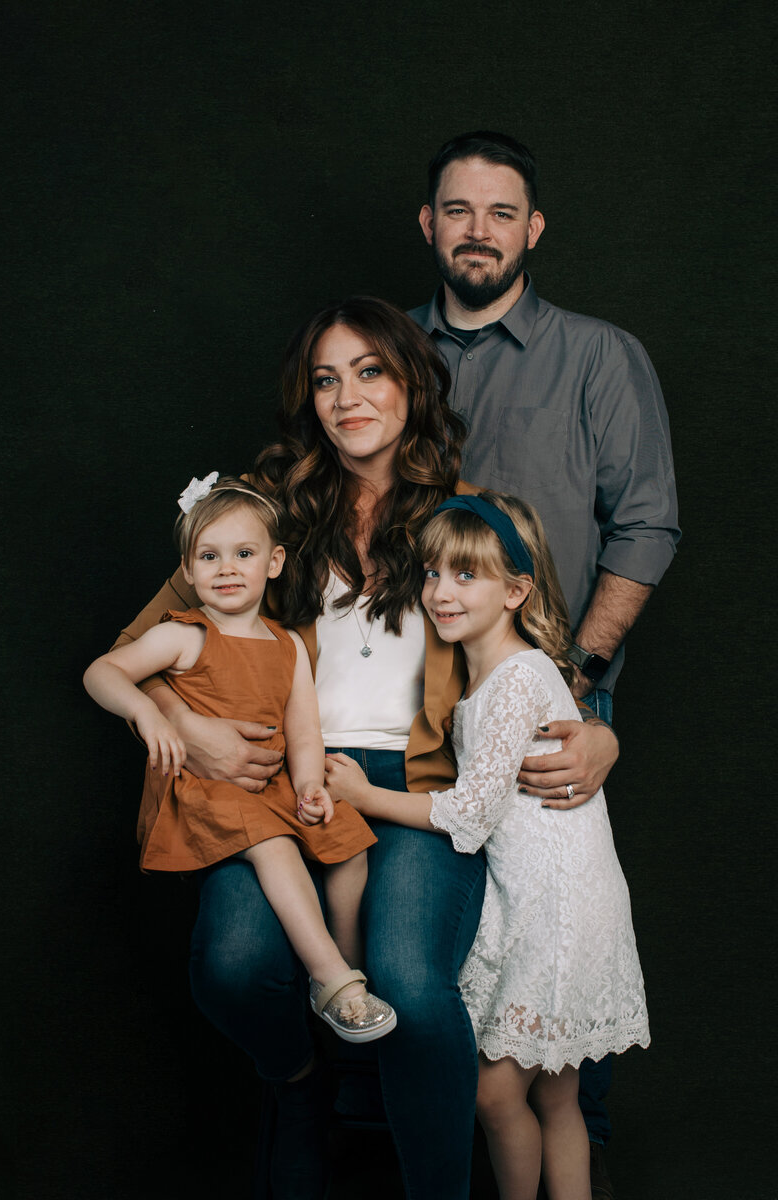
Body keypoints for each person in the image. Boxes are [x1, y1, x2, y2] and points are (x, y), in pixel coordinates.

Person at [112, 297, 620, 1199]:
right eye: (325, 378)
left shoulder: (464, 516)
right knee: (233, 965)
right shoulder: (263, 519)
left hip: (420, 785)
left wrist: (600, 733)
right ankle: (296, 1081)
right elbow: (136, 647)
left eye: (370, 371)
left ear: (411, 383)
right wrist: (189, 728)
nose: (347, 395)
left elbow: (528, 652)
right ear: (308, 400)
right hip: (274, 776)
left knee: (415, 986)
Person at [409, 130, 679, 1192]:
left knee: (557, 1008)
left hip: (550, 717)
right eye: (457, 210)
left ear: (533, 230)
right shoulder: (386, 357)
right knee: (442, 985)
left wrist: (579, 684)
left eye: (500, 212)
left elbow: (645, 524)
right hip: (412, 729)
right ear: (427, 225)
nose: (479, 231)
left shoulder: (596, 356)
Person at [325, 491, 650, 1200]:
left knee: (497, 1095)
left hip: (556, 913)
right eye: (434, 572)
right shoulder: (500, 677)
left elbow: (470, 815)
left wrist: (362, 795)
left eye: (466, 576)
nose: (442, 591)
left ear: (515, 592)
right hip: (555, 899)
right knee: (557, 1099)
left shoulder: (516, 679)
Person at [84, 475, 396, 1042]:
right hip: (207, 791)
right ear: (188, 568)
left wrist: (310, 785)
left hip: (271, 785)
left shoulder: (288, 644)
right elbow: (101, 672)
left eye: (243, 554)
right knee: (275, 849)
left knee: (349, 844)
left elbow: (304, 730)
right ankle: (333, 982)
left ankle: (347, 967)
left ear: (274, 563)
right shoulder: (185, 635)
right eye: (209, 556)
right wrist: (150, 713)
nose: (227, 569)